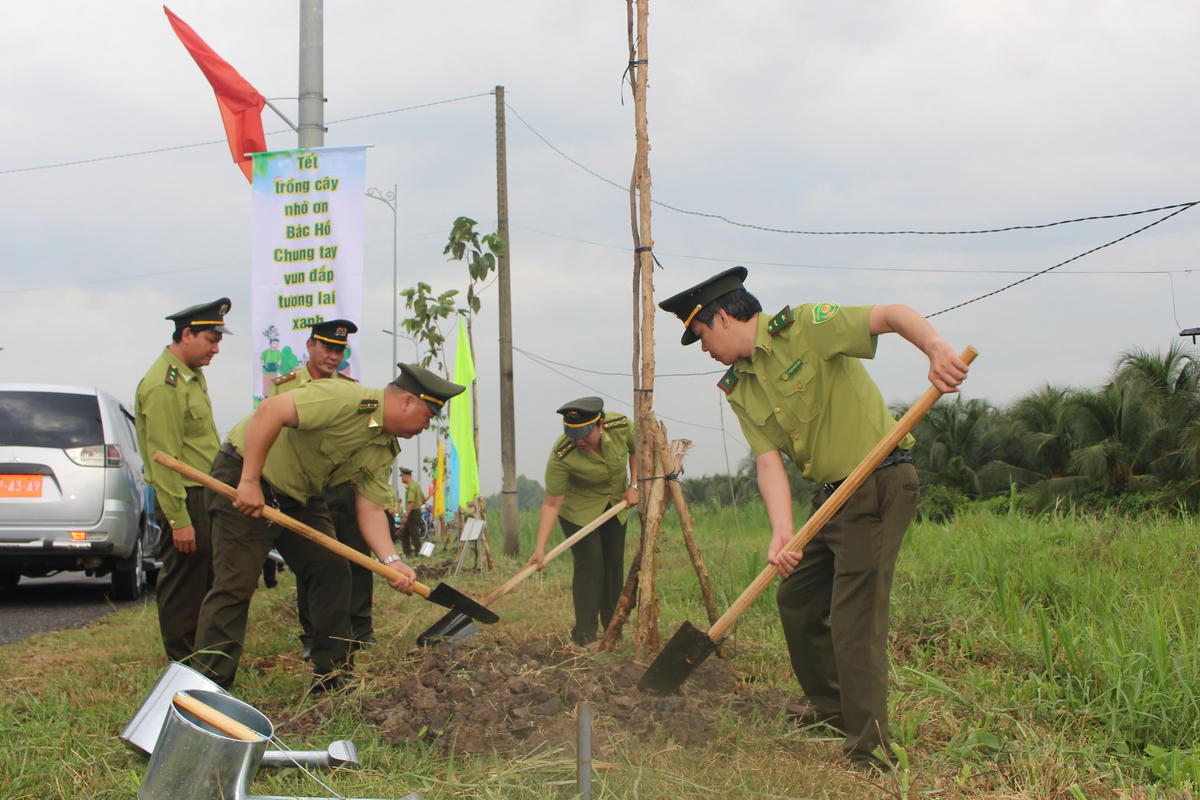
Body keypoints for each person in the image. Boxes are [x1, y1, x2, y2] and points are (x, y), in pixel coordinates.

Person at [658, 266, 968, 770]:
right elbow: (768, 462)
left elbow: (890, 315)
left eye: (701, 335)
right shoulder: (740, 386)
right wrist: (783, 531)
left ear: (722, 318)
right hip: (828, 499)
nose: (704, 348)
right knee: (796, 598)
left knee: (853, 620)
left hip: (878, 482)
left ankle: (870, 751)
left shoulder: (805, 327)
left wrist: (934, 347)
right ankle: (834, 710)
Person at [192, 363, 464, 693]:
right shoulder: (344, 398)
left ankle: (331, 680)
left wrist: (392, 562)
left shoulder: (384, 446)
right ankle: (206, 689)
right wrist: (249, 481)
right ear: (407, 402)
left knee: (333, 570)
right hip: (246, 473)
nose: (427, 425)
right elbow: (270, 411)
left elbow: (370, 507)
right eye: (428, 416)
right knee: (235, 583)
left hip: (299, 496)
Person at [268, 320, 377, 657]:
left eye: (339, 350)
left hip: (344, 484)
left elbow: (368, 434)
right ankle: (312, 634)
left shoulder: (352, 390)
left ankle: (360, 629)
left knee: (357, 555)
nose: (333, 356)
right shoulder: (285, 387)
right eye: (327, 347)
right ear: (310, 346)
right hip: (306, 488)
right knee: (314, 562)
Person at [134, 298, 230, 663]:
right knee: (183, 585)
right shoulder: (164, 385)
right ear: (186, 334)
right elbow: (164, 460)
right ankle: (183, 662)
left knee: (204, 581)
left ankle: (202, 659)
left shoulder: (191, 375)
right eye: (211, 340)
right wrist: (179, 520)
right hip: (184, 497)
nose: (216, 349)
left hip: (203, 493)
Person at [526, 397, 639, 647]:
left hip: (616, 503)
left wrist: (634, 485)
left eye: (585, 435)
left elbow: (637, 450)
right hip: (579, 511)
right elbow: (551, 503)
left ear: (601, 425)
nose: (579, 441)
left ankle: (613, 631)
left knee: (613, 564)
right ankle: (584, 634)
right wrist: (540, 549)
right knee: (591, 562)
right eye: (573, 435)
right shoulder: (562, 453)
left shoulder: (621, 426)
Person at [398, 467, 426, 558]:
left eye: (402, 476)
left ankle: (418, 553)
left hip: (412, 512)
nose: (401, 478)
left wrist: (406, 515)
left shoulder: (411, 487)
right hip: (416, 512)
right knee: (405, 534)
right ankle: (408, 554)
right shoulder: (416, 485)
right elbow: (423, 499)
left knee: (414, 534)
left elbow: (411, 502)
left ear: (407, 476)